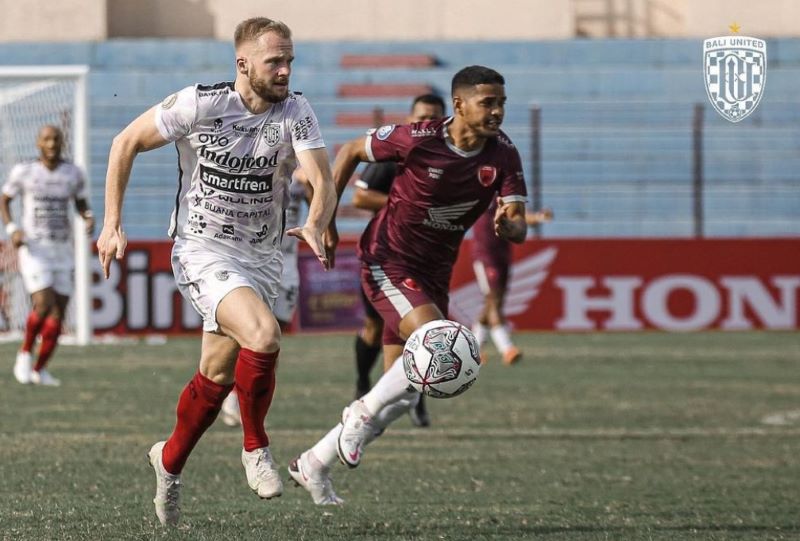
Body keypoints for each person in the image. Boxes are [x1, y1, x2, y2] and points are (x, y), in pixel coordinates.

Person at [96, 17, 336, 526]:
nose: (286, 70)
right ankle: (256, 447)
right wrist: (111, 224)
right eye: (275, 61)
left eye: (290, 60)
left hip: (262, 257)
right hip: (202, 250)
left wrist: (316, 220)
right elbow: (124, 143)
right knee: (264, 335)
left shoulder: (296, 111)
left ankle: (168, 462)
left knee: (216, 376)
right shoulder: (201, 104)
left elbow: (320, 175)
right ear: (243, 64)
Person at [288, 65, 528, 505]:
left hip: (435, 272)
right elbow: (348, 154)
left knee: (408, 389)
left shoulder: (504, 155)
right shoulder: (418, 138)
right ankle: (359, 412)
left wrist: (509, 226)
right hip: (388, 258)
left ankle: (314, 463)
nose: (497, 112)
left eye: (502, 103)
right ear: (459, 105)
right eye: (487, 102)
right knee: (437, 346)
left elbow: (518, 226)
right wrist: (323, 218)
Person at [351, 94, 446, 428]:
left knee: (419, 335)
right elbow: (360, 195)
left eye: (435, 118)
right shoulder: (393, 153)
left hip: (429, 259)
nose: (427, 124)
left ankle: (415, 402)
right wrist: (406, 206)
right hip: (386, 256)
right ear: (410, 118)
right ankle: (363, 383)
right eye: (421, 117)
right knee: (375, 327)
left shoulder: (449, 160)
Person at [2, 125, 94, 387]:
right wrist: (12, 229)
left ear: (62, 142)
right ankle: (23, 355)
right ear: (38, 143)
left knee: (58, 315)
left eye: (56, 139)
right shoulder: (25, 172)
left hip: (62, 249)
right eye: (46, 139)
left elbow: (80, 202)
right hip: (35, 249)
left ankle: (39, 370)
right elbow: (4, 200)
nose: (52, 144)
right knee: (43, 304)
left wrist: (87, 217)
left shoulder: (72, 173)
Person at [219, 168, 310, 427]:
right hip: (256, 260)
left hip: (288, 263)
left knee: (274, 339)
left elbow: (319, 202)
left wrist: (310, 181)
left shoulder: (303, 170)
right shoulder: (257, 163)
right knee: (252, 334)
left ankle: (254, 403)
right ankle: (235, 397)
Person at [470, 205, 552, 365]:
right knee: (493, 301)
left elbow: (518, 216)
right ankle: (507, 349)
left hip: (502, 256)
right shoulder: (481, 192)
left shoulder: (504, 193)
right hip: (485, 255)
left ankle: (474, 349)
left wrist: (538, 217)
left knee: (492, 303)